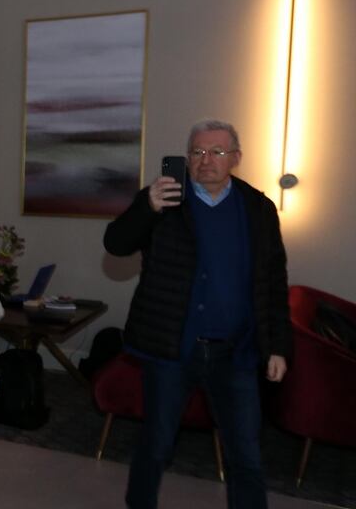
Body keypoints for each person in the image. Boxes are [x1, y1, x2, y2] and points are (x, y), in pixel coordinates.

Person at [104, 119, 291, 509]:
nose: (206, 160)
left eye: (217, 152)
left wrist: (277, 346)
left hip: (236, 352)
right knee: (155, 447)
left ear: (236, 158)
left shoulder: (258, 208)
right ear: (187, 158)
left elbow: (273, 282)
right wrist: (147, 206)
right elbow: (116, 243)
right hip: (173, 350)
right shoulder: (164, 199)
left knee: (246, 455)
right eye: (197, 152)